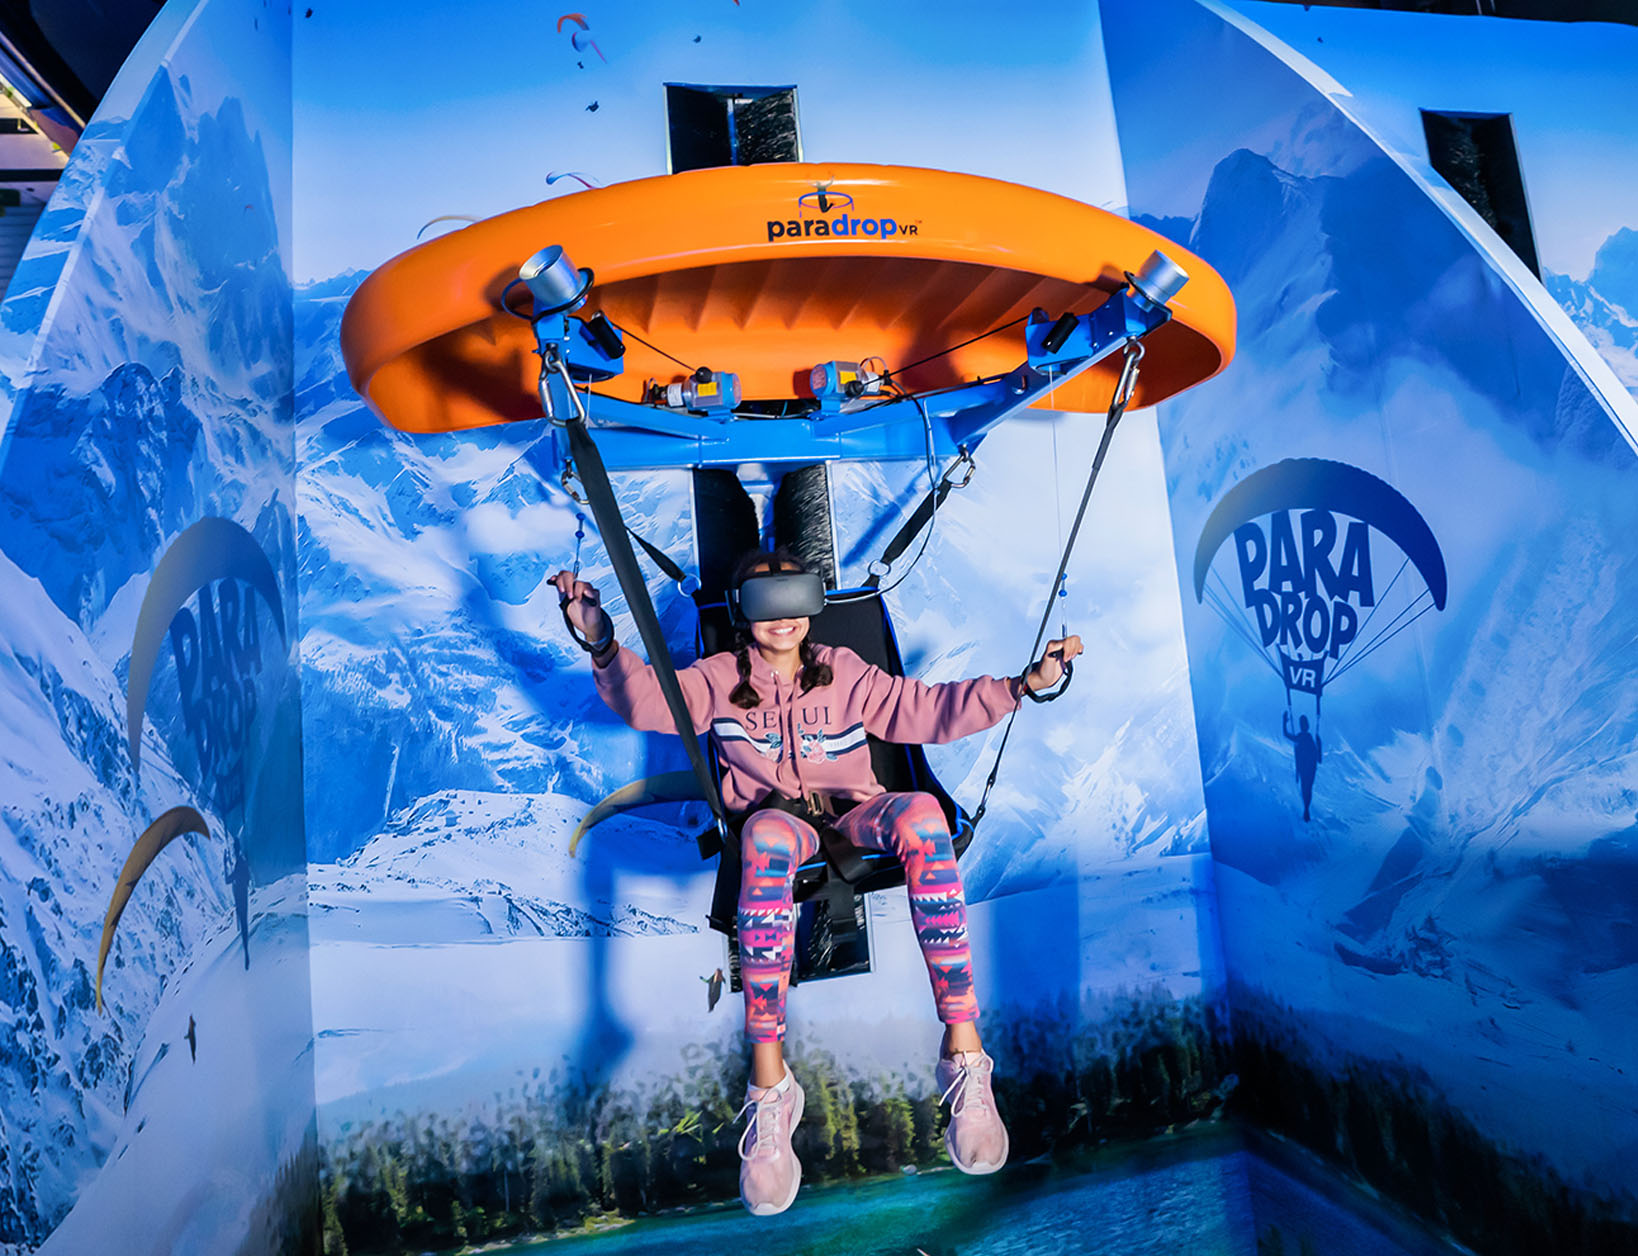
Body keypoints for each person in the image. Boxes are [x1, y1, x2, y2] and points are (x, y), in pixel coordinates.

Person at [551, 551, 1082, 1216]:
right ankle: (770, 1084)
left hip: (856, 814)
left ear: (812, 603)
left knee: (924, 816)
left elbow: (928, 710)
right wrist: (601, 640)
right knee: (766, 840)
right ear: (741, 609)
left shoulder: (844, 671)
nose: (783, 615)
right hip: (776, 823)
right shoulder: (718, 679)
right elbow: (648, 700)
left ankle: (965, 1052)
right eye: (764, 598)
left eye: (795, 595)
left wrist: (1021, 685)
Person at [1282, 710, 1322, 822]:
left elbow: (1318, 758)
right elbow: (1319, 759)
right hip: (1308, 769)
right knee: (1307, 789)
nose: (1304, 726)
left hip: (1306, 769)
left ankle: (1306, 810)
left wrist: (1284, 722)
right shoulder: (1306, 738)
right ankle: (1306, 810)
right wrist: (1319, 744)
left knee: (1306, 788)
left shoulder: (1303, 738)